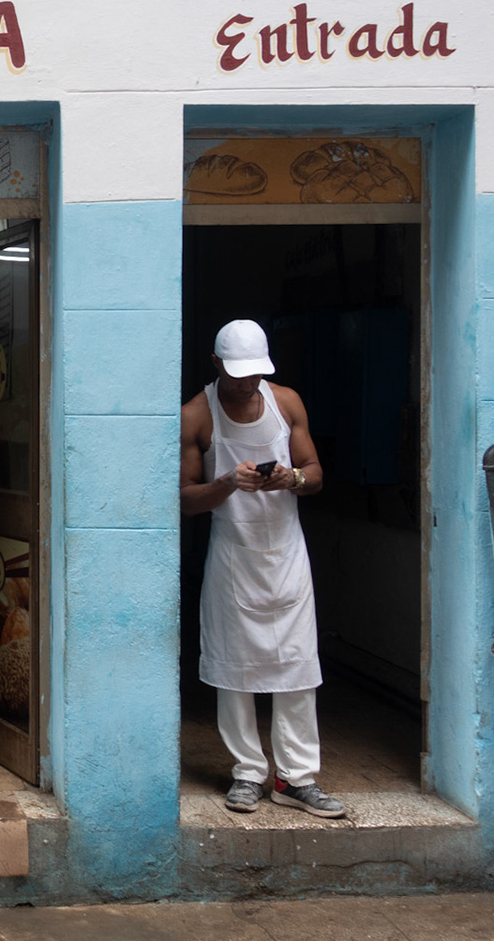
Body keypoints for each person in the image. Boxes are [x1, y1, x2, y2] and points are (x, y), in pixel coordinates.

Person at [179, 319, 345, 819]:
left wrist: (290, 477)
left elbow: (314, 473)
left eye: (255, 374)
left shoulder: (285, 401)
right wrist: (228, 482)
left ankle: (295, 778)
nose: (247, 383)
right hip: (234, 556)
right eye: (237, 375)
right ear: (216, 365)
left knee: (298, 668)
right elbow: (186, 499)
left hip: (287, 555)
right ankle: (247, 772)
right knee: (236, 670)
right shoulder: (197, 415)